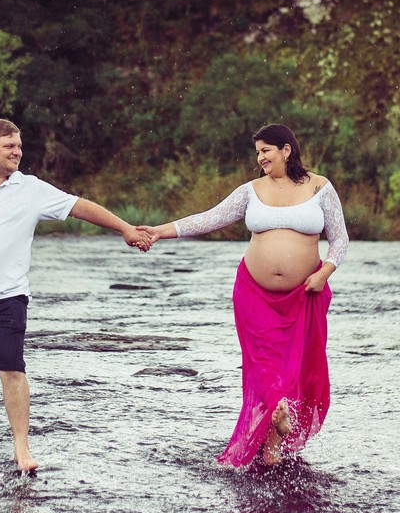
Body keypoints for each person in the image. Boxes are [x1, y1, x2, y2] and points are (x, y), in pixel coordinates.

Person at [0, 118, 155, 473]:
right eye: (9, 146)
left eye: (19, 146)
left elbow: (81, 207)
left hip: (7, 297)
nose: (17, 152)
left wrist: (126, 228)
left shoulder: (31, 189)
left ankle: (22, 448)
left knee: (11, 369)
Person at [144, 123, 348, 467]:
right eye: (257, 152)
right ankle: (275, 425)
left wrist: (324, 272)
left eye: (266, 150)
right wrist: (160, 232)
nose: (260, 158)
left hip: (304, 295)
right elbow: (209, 219)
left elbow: (340, 239)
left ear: (286, 149)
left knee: (298, 368)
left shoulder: (320, 187)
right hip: (254, 294)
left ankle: (272, 442)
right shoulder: (252, 190)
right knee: (264, 365)